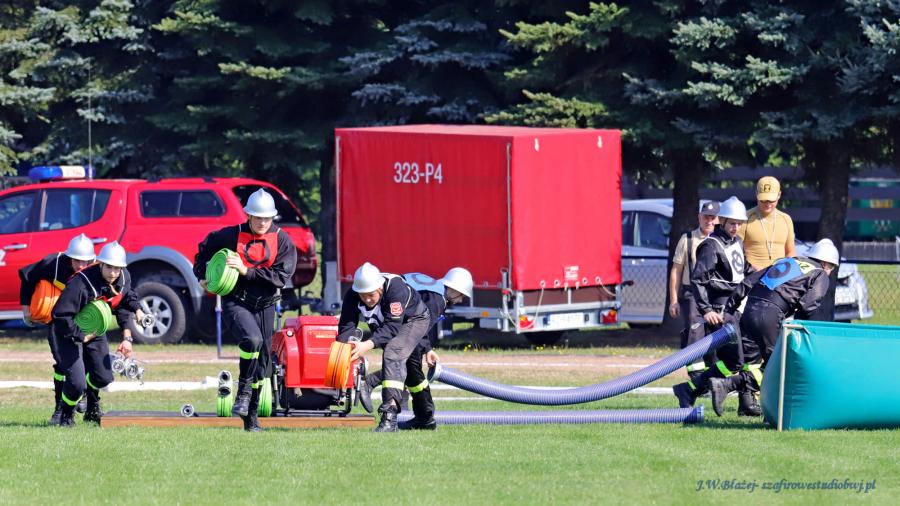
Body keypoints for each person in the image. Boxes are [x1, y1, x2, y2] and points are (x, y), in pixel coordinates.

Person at [194, 188, 297, 432]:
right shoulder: (231, 235)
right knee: (252, 340)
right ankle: (242, 391)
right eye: (257, 217)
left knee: (264, 366)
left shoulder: (283, 240)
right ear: (248, 215)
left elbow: (280, 277)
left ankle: (251, 417)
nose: (262, 223)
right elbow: (204, 250)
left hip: (267, 306)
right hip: (236, 301)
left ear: (272, 218)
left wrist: (246, 271)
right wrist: (203, 276)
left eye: (267, 218)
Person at [708, 238, 838, 416]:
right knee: (781, 364)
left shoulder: (787, 261)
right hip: (769, 315)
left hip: (749, 311)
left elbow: (748, 282)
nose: (829, 272)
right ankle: (727, 385)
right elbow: (809, 305)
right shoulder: (819, 273)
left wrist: (729, 309)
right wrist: (800, 329)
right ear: (825, 263)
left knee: (761, 361)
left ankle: (746, 404)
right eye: (831, 268)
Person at [356, 267, 475, 430]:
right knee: (408, 366)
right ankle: (419, 417)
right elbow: (420, 326)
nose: (460, 300)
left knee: (410, 370)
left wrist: (427, 349)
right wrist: (426, 349)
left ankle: (423, 418)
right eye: (460, 295)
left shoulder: (432, 290)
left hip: (392, 316)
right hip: (398, 322)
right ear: (454, 290)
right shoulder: (437, 299)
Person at [672, 196, 757, 415]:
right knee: (735, 361)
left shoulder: (737, 242)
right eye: (732, 223)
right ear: (723, 221)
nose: (735, 227)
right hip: (720, 312)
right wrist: (707, 310)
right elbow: (698, 280)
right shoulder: (711, 246)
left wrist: (764, 274)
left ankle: (688, 390)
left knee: (736, 360)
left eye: (739, 223)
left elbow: (744, 270)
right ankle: (692, 389)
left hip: (735, 310)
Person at [51, 241, 145, 427]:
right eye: (109, 267)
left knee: (103, 377)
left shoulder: (122, 278)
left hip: (94, 331)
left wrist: (137, 312)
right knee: (76, 384)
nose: (113, 273)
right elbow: (60, 315)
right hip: (68, 332)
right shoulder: (80, 283)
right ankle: (66, 414)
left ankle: (92, 406)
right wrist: (80, 335)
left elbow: (126, 299)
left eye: (117, 268)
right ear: (100, 264)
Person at [337, 262, 431, 432]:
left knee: (392, 354)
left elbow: (392, 327)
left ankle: (389, 419)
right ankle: (426, 418)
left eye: (371, 295)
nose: (367, 299)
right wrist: (343, 352)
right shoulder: (353, 294)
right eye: (362, 295)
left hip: (414, 320)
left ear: (380, 288)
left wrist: (366, 345)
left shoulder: (396, 289)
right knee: (410, 369)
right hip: (389, 324)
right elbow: (346, 325)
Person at [18, 233, 97, 425]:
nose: (81, 266)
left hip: (84, 320)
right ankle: (59, 410)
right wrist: (26, 309)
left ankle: (89, 403)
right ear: (69, 258)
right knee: (62, 364)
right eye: (77, 261)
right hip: (58, 320)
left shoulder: (97, 270)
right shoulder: (53, 264)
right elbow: (27, 275)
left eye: (85, 262)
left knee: (90, 361)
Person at [668, 200, 719, 382]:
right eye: (706, 217)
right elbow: (676, 270)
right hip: (693, 295)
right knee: (694, 334)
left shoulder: (722, 240)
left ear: (718, 220)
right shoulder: (688, 239)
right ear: (699, 217)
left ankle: (714, 377)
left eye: (713, 218)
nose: (709, 221)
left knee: (716, 336)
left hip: (716, 295)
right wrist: (674, 300)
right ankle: (697, 378)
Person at [739, 176, 797, 271]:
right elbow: (735, 251)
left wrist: (784, 271)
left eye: (771, 200)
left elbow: (791, 252)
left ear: (779, 195)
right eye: (763, 200)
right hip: (751, 274)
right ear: (756, 194)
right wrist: (753, 269)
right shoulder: (745, 218)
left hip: (779, 275)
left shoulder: (786, 219)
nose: (767, 203)